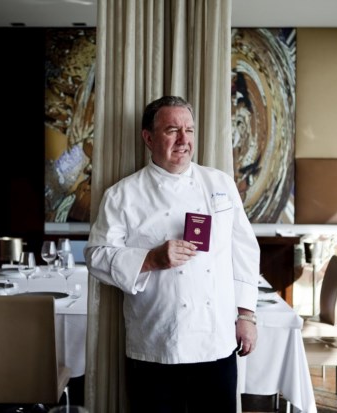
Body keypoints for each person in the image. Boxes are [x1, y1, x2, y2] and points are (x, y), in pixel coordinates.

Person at [85, 95, 260, 413]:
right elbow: (96, 256)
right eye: (172, 130)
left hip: (217, 341)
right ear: (148, 138)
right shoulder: (123, 195)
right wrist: (150, 259)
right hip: (157, 345)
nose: (183, 139)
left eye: (189, 130)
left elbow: (244, 251)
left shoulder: (219, 184)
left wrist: (247, 316)